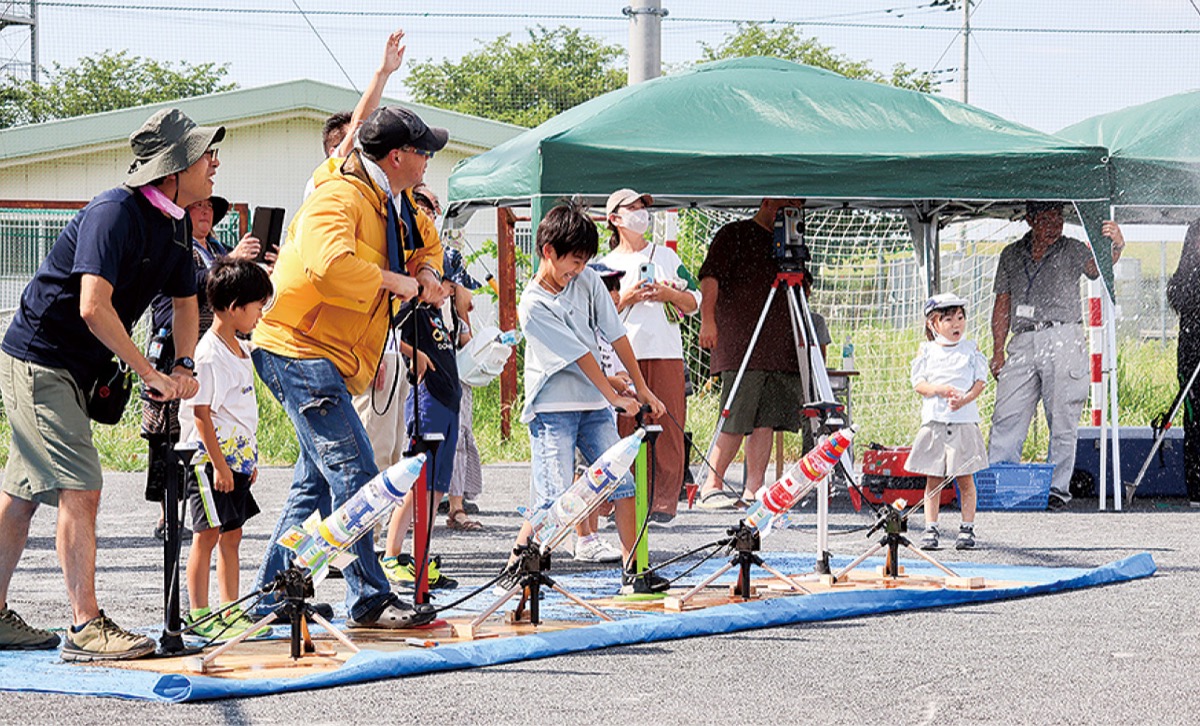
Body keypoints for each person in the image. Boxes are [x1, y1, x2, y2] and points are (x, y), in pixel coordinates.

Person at [0, 107, 215, 658]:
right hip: (41, 360)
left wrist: (184, 365)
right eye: (204, 155)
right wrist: (149, 372)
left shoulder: (174, 224)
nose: (213, 163)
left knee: (21, 496)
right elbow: (94, 306)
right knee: (82, 486)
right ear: (174, 169)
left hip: (77, 367)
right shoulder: (113, 213)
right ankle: (85, 627)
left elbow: (186, 302)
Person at [250, 105, 446, 629]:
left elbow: (428, 245)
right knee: (356, 472)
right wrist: (395, 281)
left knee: (314, 483)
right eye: (423, 151)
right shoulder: (339, 194)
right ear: (398, 156)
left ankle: (272, 595)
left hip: (328, 355)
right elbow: (329, 265)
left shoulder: (396, 202)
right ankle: (369, 598)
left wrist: (427, 272)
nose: (429, 160)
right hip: (297, 348)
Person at [513, 200, 668, 594]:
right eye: (574, 261)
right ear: (548, 251)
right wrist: (613, 394)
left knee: (623, 483)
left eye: (584, 261)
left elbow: (615, 334)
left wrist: (640, 387)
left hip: (594, 404)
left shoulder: (588, 281)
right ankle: (519, 565)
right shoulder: (533, 304)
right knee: (553, 498)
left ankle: (635, 570)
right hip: (553, 410)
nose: (579, 269)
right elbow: (579, 355)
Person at [143, 196, 269, 539]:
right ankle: (168, 513)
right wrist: (230, 263)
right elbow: (187, 288)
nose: (204, 212)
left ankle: (192, 505)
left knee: (202, 423)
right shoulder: (174, 249)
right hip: (178, 354)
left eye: (209, 207)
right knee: (168, 436)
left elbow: (232, 283)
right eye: (197, 206)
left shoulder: (218, 248)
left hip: (217, 352)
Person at [987, 202, 1125, 510]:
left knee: (1063, 418)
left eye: (1059, 219)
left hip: (1063, 335)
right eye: (1047, 219)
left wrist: (1116, 246)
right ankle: (998, 483)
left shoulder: (1072, 248)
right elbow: (1002, 303)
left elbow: (1097, 269)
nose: (1055, 226)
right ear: (1030, 220)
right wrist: (997, 351)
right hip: (1023, 337)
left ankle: (1056, 490)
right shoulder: (1011, 254)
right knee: (1007, 413)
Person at [696, 198, 813, 509]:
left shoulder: (793, 241)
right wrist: (708, 320)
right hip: (742, 344)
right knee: (737, 415)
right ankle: (712, 485)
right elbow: (709, 278)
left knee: (766, 420)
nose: (790, 211)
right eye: (786, 204)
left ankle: (754, 489)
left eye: (796, 206)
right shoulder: (734, 234)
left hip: (780, 346)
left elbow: (804, 288)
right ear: (767, 201)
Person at [180, 258, 274, 638]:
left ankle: (230, 610)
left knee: (232, 535)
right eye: (256, 307)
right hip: (208, 462)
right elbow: (201, 414)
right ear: (234, 307)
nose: (260, 315)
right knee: (207, 534)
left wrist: (248, 461)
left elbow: (241, 411)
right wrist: (219, 466)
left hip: (236, 463)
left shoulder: (240, 349)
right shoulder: (208, 354)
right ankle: (199, 614)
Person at [600, 189, 700, 526]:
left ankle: (663, 501)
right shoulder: (605, 265)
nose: (641, 213)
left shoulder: (666, 256)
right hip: (622, 356)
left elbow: (695, 299)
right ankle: (621, 499)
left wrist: (668, 293)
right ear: (615, 218)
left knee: (667, 423)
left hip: (665, 351)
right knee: (623, 425)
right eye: (633, 208)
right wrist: (627, 297)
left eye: (643, 207)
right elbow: (596, 314)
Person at [377, 271, 462, 591]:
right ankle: (392, 555)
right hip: (428, 402)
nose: (446, 291)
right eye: (442, 285)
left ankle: (420, 557)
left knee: (437, 487)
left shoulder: (436, 314)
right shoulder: (410, 309)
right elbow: (386, 336)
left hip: (450, 403)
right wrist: (415, 354)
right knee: (418, 482)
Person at [904, 293, 988, 551]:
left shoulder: (971, 348)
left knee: (965, 479)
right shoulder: (927, 350)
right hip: (936, 422)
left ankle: (967, 528)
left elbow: (980, 382)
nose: (956, 324)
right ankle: (931, 528)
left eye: (960, 318)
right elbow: (919, 384)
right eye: (949, 319)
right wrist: (939, 390)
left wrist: (965, 399)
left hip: (964, 422)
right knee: (934, 479)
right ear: (933, 323)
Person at [1167, 220, 1200, 507]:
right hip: (1191, 358)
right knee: (1195, 418)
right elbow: (1179, 299)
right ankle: (1197, 485)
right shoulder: (1184, 277)